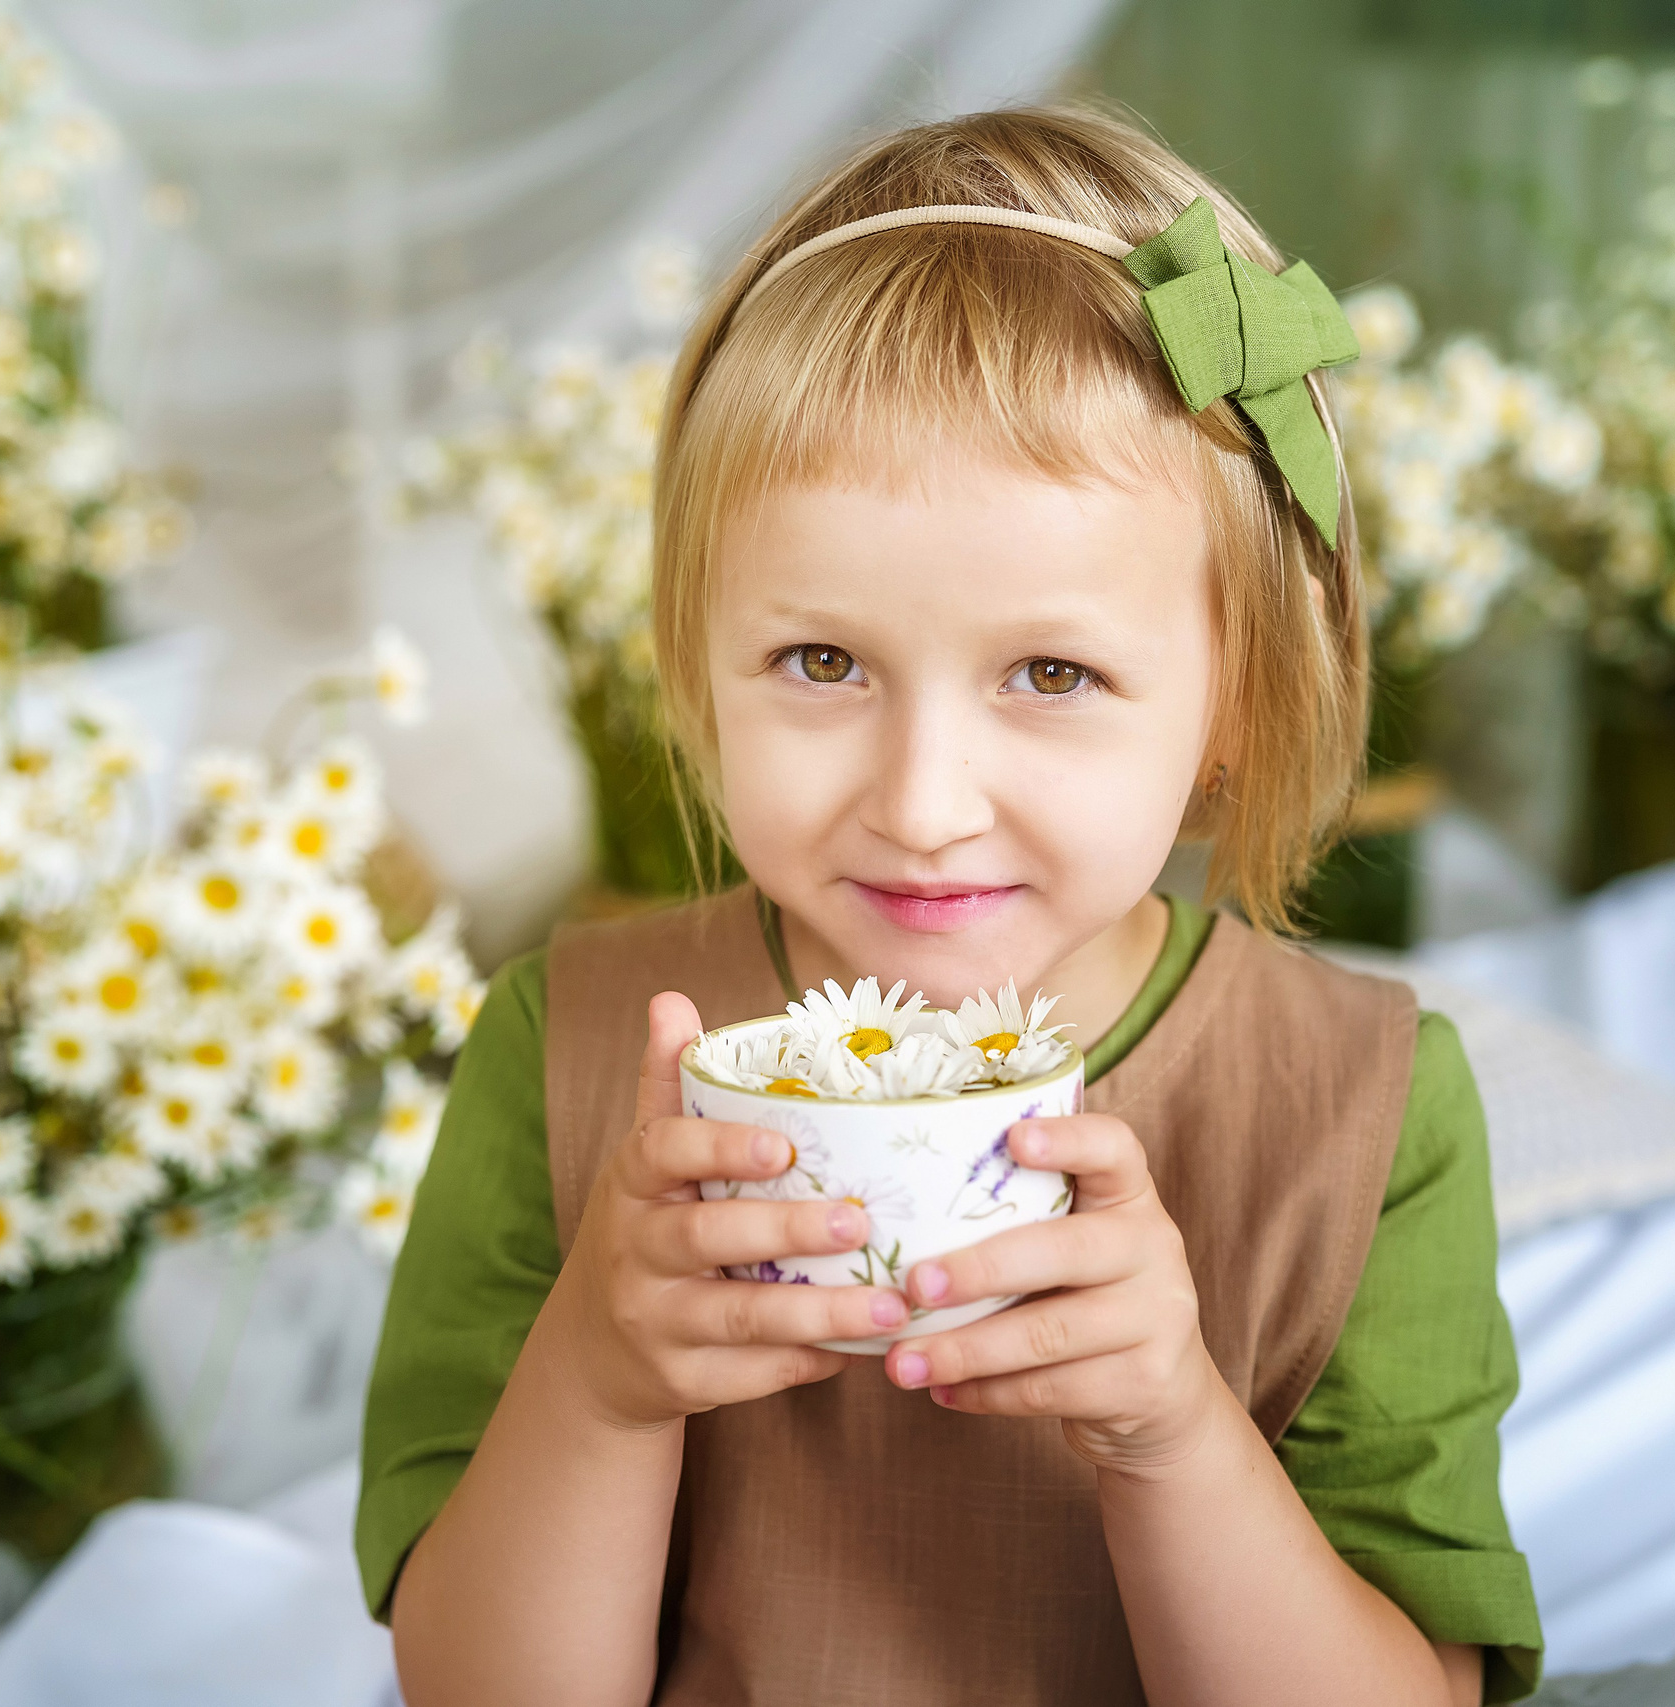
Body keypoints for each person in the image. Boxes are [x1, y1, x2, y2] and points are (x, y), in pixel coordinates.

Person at [356, 104, 1543, 1707]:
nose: (921, 806)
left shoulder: (1358, 1116)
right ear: (697, 666)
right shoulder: (569, 1054)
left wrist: (1173, 1430)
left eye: (1051, 675)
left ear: (1239, 702)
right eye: (821, 662)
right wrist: (602, 1379)